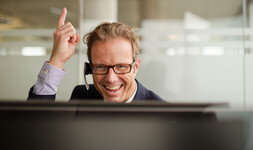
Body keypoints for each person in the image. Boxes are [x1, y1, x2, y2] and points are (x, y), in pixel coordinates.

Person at [28, 8, 163, 102]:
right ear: (89, 69)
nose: (111, 78)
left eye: (121, 66)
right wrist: (57, 60)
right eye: (100, 67)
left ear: (135, 67)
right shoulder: (81, 97)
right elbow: (34, 130)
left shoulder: (164, 116)